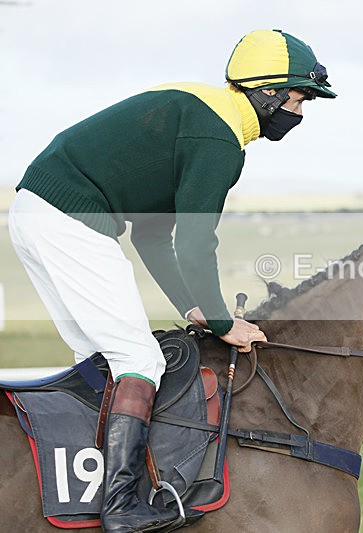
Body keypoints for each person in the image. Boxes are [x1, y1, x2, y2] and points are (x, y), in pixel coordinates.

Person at [7, 29, 336, 532]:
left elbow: (154, 236)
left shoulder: (204, 114)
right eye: (298, 98)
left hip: (38, 211)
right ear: (268, 92)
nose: (300, 112)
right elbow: (196, 242)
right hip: (68, 218)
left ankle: (88, 490)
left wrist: (192, 308)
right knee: (138, 359)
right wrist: (224, 321)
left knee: (101, 359)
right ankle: (121, 506)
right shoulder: (219, 138)